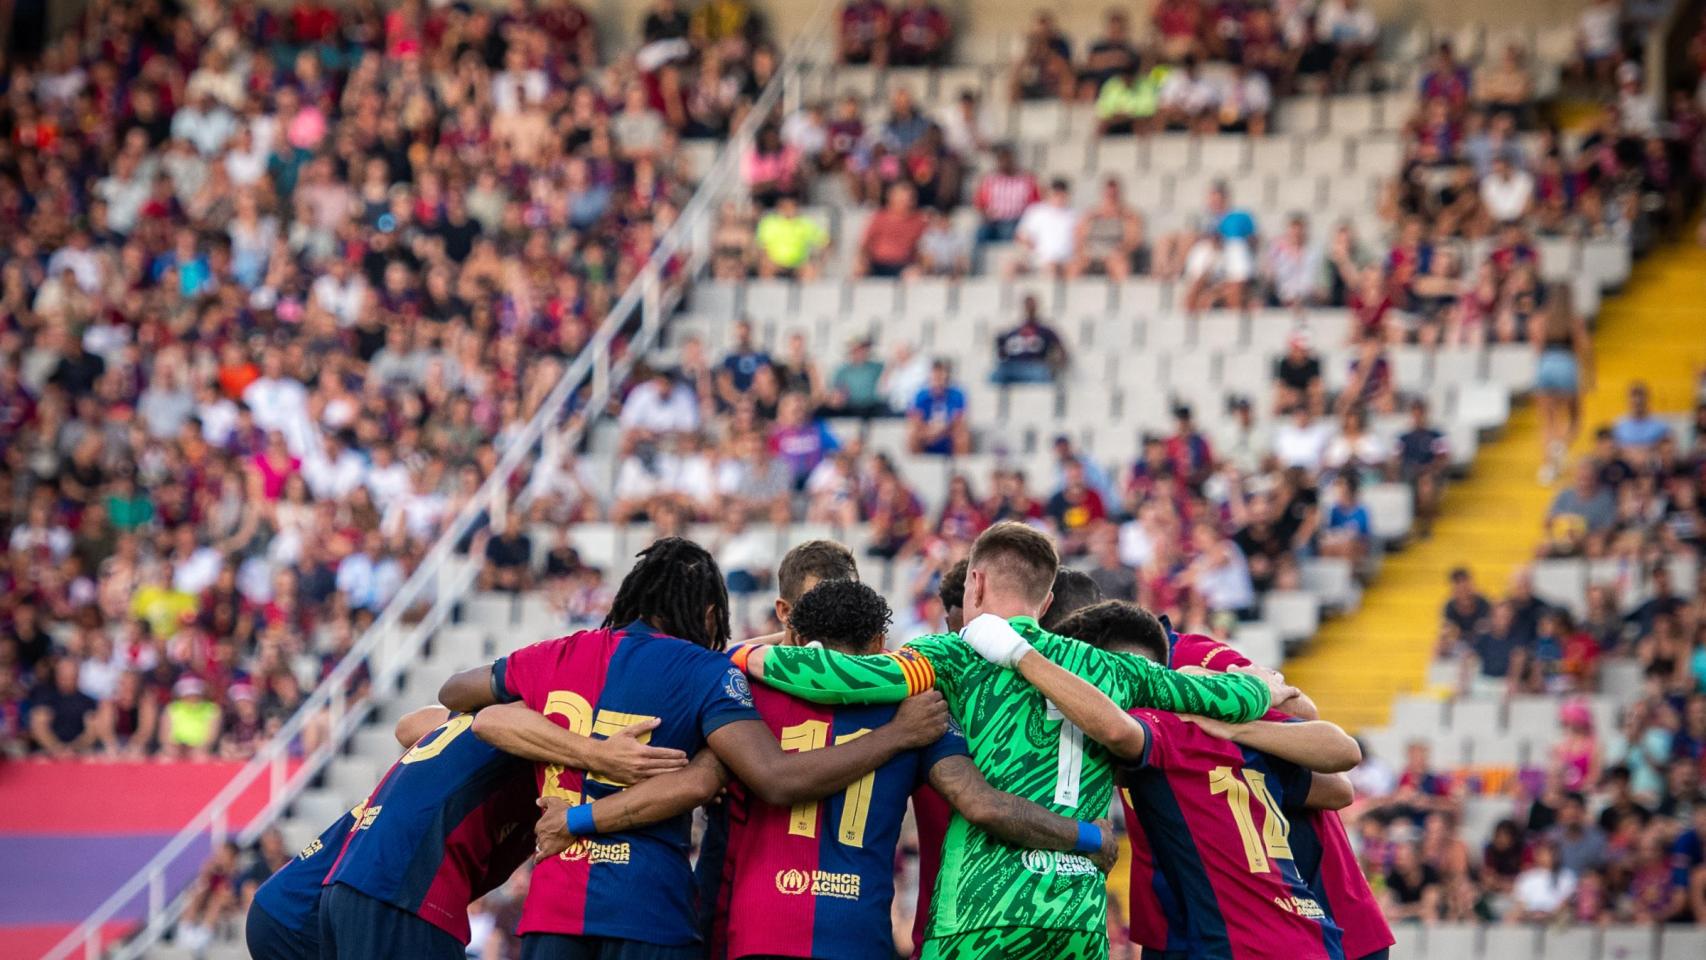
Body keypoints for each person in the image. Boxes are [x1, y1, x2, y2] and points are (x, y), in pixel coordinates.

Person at [733, 523, 1280, 960]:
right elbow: (1230, 697)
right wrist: (1263, 687)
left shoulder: (952, 656)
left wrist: (739, 654)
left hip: (979, 914)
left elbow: (842, 673)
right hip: (1076, 917)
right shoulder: (1114, 669)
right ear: (1045, 601)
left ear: (974, 583)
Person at [436, 538, 953, 958]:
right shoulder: (712, 674)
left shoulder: (559, 653)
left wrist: (580, 758)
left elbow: (452, 696)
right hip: (653, 909)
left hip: (556, 906)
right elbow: (724, 780)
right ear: (710, 614)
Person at [555, 580, 1115, 960]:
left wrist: (579, 814)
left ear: (795, 638)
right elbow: (981, 802)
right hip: (857, 933)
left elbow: (693, 781)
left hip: (758, 931)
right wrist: (1088, 835)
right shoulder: (919, 710)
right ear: (880, 643)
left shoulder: (742, 696)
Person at [953, 602, 1364, 960]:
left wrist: (1020, 656)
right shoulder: (1225, 724)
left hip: (1242, 942)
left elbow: (1114, 730)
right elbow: (1339, 776)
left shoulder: (1159, 727)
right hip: (1309, 934)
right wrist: (1235, 727)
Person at [245, 709, 449, 960]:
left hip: (287, 904)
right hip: (295, 916)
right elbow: (406, 728)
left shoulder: (403, 787)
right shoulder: (417, 796)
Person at [991, 294, 1068, 384]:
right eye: (1027, 306)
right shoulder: (1013, 331)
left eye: (1032, 306)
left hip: (1035, 366)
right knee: (995, 376)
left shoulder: (1045, 331)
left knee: (1041, 374)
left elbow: (1061, 349)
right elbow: (1002, 350)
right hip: (1013, 366)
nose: (1029, 309)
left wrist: (1056, 364)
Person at [907, 360, 972, 456]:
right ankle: (917, 462)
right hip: (927, 433)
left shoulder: (957, 394)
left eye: (940, 378)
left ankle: (960, 462)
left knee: (962, 434)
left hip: (948, 433)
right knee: (911, 432)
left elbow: (958, 420)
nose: (938, 382)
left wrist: (939, 431)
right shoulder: (920, 395)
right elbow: (916, 419)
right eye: (935, 378)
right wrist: (930, 432)